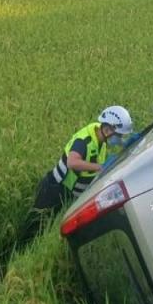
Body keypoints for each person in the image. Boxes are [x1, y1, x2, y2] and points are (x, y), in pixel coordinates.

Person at [16, 105, 135, 247]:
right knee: (34, 228)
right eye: (119, 135)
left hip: (68, 195)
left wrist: (126, 144)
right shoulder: (84, 141)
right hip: (54, 190)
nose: (119, 138)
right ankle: (15, 253)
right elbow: (72, 162)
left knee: (48, 230)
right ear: (108, 129)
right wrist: (100, 167)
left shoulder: (101, 140)